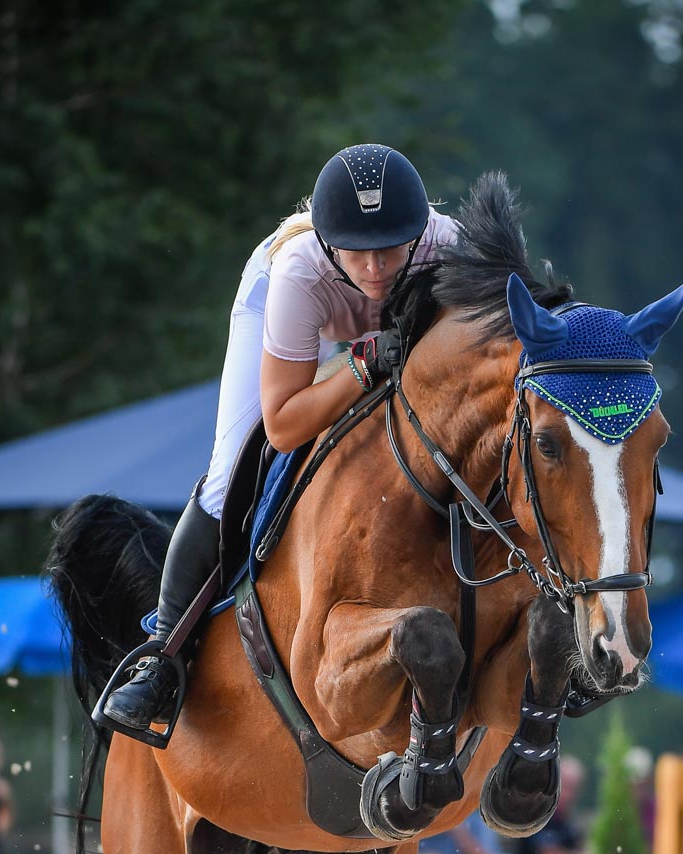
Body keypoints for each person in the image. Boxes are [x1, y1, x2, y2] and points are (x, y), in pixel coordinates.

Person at [104, 144, 458, 736]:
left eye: (390, 249)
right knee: (231, 466)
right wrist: (361, 367)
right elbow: (286, 424)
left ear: (418, 235)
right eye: (358, 251)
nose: (374, 270)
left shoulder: (447, 249)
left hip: (388, 335)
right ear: (328, 242)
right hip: (294, 312)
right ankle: (163, 656)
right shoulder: (299, 270)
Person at [513, 754, 587, 854]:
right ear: (554, 782)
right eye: (566, 786)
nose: (569, 795)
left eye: (574, 788)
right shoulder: (537, 815)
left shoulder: (567, 821)